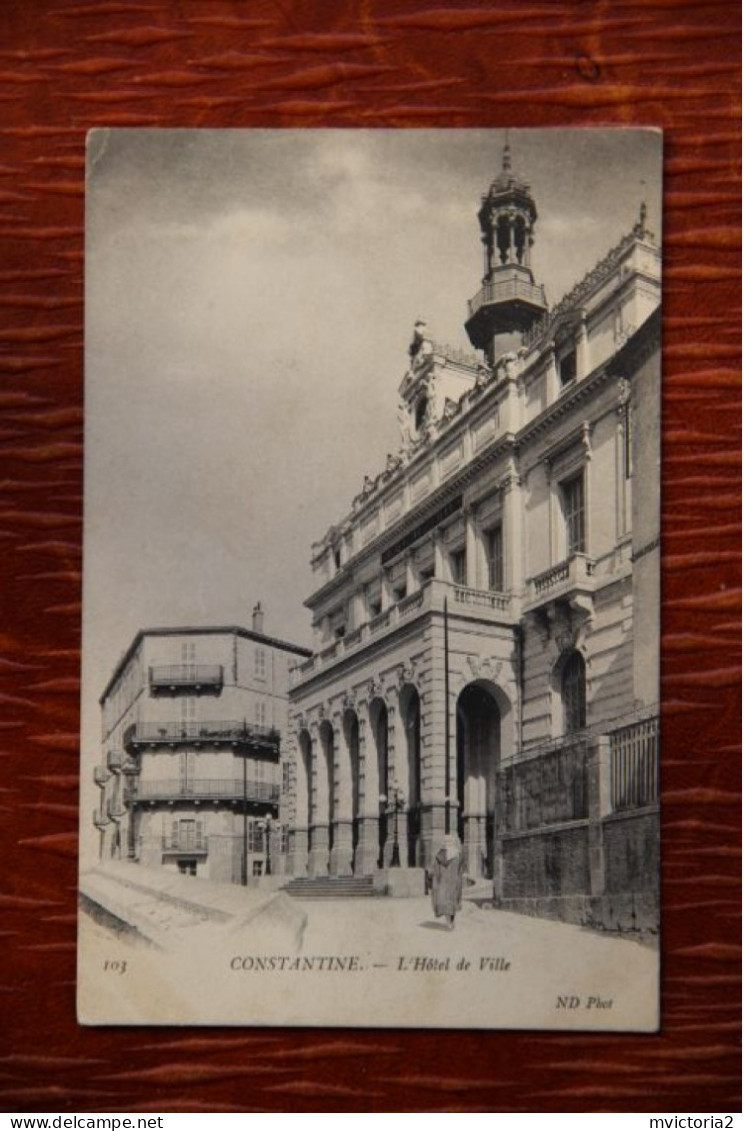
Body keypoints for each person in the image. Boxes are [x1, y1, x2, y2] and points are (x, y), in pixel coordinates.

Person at [429, 833, 465, 929]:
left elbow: (435, 871)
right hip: (454, 881)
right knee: (453, 901)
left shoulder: (439, 855)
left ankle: (448, 922)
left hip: (443, 882)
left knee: (445, 902)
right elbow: (460, 870)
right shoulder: (457, 854)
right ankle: (452, 921)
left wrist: (436, 882)